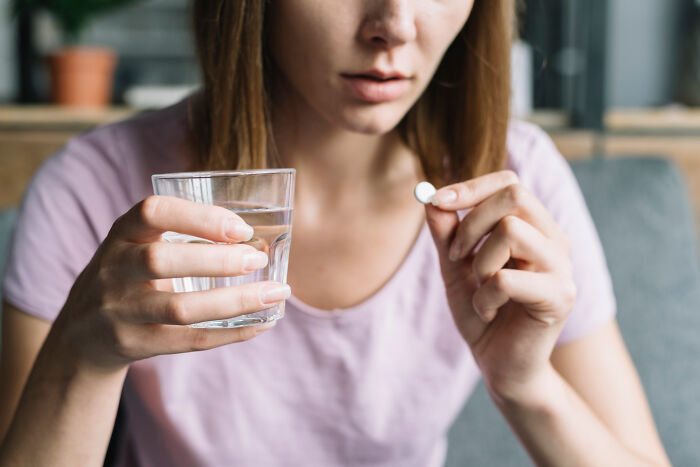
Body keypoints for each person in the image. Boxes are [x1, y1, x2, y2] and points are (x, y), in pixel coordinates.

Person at [0, 1, 671, 466]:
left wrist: (525, 384)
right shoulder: (91, 189)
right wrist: (82, 357)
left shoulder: (516, 183)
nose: (394, 26)